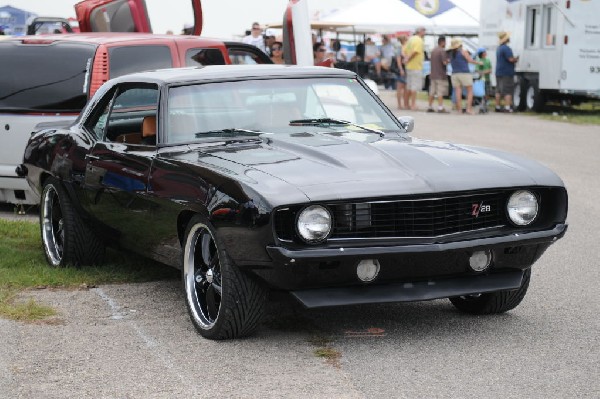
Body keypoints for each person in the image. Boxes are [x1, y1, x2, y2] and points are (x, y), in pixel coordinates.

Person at [449, 38, 482, 115]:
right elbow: (470, 60)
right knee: (470, 91)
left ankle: (459, 110)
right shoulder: (463, 51)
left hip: (454, 74)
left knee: (458, 92)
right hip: (464, 73)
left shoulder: (451, 53)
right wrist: (479, 63)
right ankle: (468, 109)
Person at [495, 31, 519, 113]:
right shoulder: (506, 48)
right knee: (508, 90)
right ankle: (507, 107)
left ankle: (497, 107)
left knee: (498, 90)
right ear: (506, 39)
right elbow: (510, 59)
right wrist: (516, 59)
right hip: (506, 72)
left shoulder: (499, 48)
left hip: (499, 71)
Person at [403, 27, 426, 110]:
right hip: (416, 66)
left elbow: (404, 50)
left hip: (409, 66)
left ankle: (406, 104)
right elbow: (416, 52)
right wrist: (408, 58)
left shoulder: (410, 39)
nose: (425, 33)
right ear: (420, 32)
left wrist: (406, 58)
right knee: (414, 87)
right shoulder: (419, 40)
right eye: (424, 31)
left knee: (408, 86)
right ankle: (413, 105)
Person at [427, 36, 450, 113]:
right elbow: (444, 62)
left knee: (432, 91)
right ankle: (440, 107)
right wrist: (448, 60)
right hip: (440, 75)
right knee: (440, 91)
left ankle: (430, 106)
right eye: (445, 42)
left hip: (433, 74)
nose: (445, 44)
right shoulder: (442, 51)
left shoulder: (433, 51)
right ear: (442, 42)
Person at [476, 47, 492, 113]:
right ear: (482, 54)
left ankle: (485, 104)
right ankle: (481, 105)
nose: (486, 53)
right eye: (484, 52)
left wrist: (483, 72)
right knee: (481, 93)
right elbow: (477, 70)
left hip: (487, 79)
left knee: (487, 92)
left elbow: (490, 70)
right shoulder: (479, 61)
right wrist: (485, 71)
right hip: (481, 80)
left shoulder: (488, 60)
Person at [396, 35, 409, 109]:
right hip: (402, 70)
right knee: (400, 88)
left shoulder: (405, 48)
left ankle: (404, 104)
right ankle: (400, 104)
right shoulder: (400, 48)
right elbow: (398, 61)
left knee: (404, 88)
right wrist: (401, 69)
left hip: (405, 69)